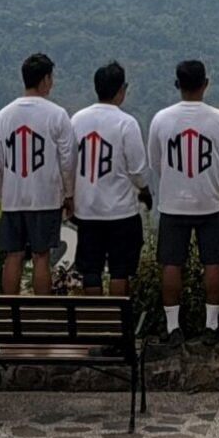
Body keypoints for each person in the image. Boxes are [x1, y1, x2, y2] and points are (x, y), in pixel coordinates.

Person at [147, 59, 219, 345]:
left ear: (178, 85)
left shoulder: (161, 119)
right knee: (213, 262)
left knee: (172, 263)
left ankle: (173, 327)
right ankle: (211, 326)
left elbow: (156, 162)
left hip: (173, 203)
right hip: (210, 202)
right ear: (205, 84)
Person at [0, 53, 75, 296]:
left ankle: (10, 313)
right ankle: (40, 314)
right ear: (45, 80)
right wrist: (68, 194)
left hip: (13, 198)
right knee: (41, 256)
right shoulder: (57, 114)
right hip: (46, 196)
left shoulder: (4, 115)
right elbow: (67, 160)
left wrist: (3, 192)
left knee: (13, 255)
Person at [70, 61, 151, 298]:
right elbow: (137, 170)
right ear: (121, 90)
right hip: (121, 210)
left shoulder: (77, 120)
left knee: (91, 269)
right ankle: (117, 321)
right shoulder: (126, 123)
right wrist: (145, 190)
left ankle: (95, 322)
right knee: (119, 270)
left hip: (87, 209)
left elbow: (69, 163)